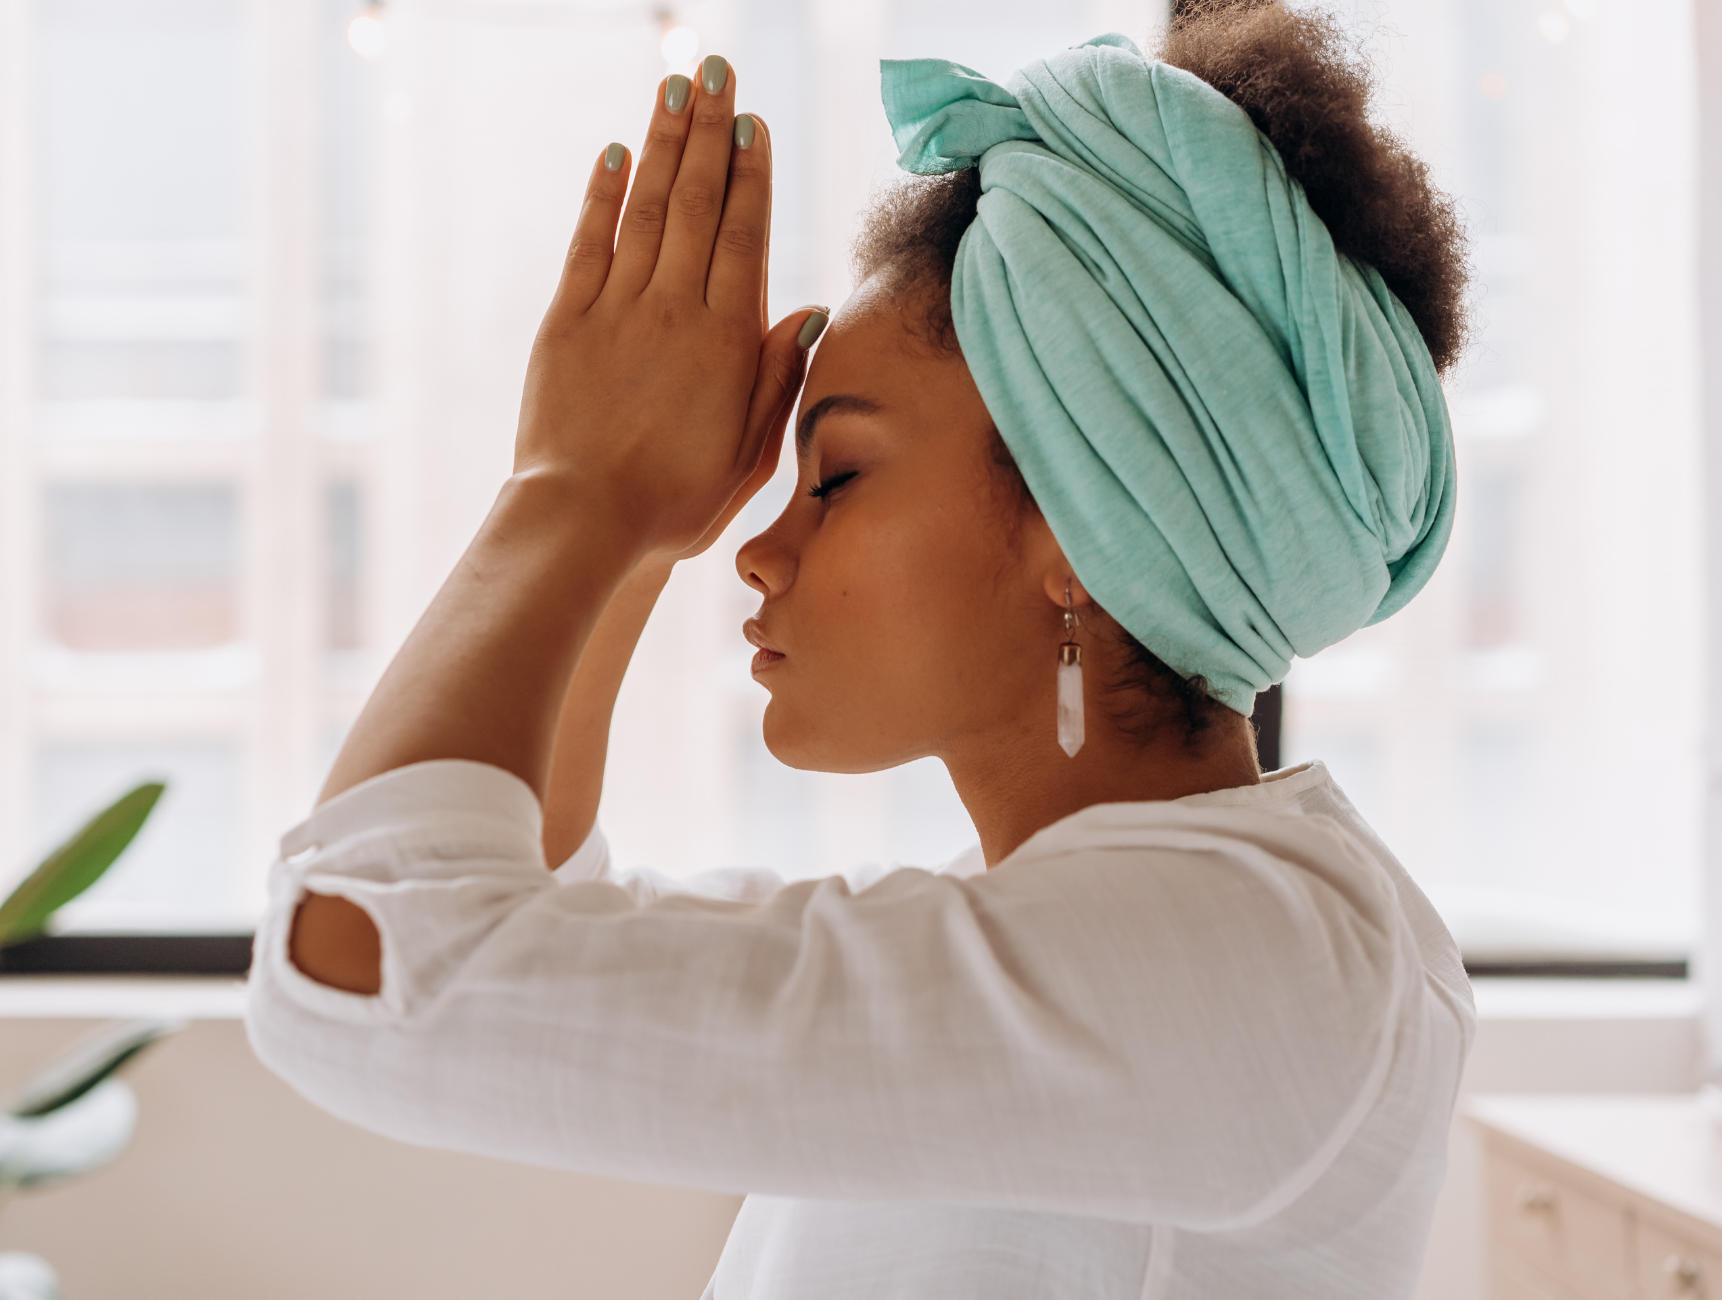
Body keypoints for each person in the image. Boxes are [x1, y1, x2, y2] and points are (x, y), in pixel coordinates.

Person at [246, 2, 1475, 1295]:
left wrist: (574, 492)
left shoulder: (1247, 958)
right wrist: (633, 537)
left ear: (1079, 527)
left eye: (830, 476)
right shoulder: (1171, 924)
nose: (757, 551)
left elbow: (364, 965)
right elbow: (512, 888)